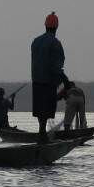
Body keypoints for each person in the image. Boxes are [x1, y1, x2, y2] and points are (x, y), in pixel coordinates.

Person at [30, 11, 67, 143]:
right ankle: (42, 135)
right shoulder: (55, 43)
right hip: (49, 81)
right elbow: (57, 65)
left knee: (41, 109)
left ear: (45, 26)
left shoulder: (36, 41)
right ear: (56, 27)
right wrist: (65, 79)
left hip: (36, 80)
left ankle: (41, 133)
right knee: (47, 108)